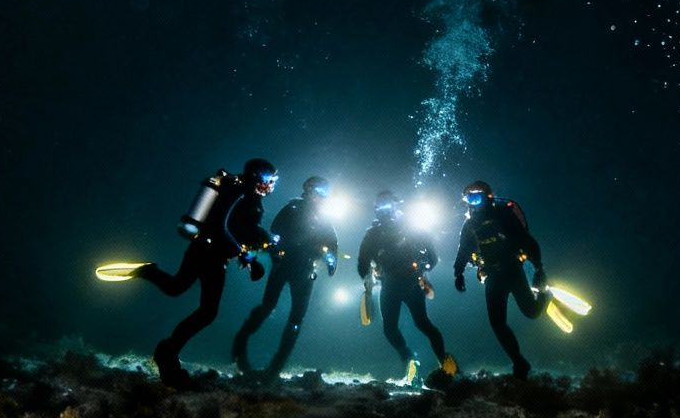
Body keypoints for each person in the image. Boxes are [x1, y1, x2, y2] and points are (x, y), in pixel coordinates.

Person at [134, 158, 277, 387]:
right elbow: (224, 226)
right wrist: (244, 255)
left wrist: (262, 243)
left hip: (209, 253)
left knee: (179, 290)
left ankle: (167, 347)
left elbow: (243, 229)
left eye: (273, 180)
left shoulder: (248, 198)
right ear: (256, 177)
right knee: (203, 309)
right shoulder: (240, 193)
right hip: (207, 252)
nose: (270, 185)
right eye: (268, 179)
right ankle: (167, 350)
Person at [230, 174, 340, 378]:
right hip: (285, 266)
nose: (323, 197)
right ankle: (240, 347)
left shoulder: (323, 218)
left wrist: (331, 260)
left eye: (326, 193)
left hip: (305, 270)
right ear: (309, 191)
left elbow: (332, 242)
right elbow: (273, 234)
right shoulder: (292, 209)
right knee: (268, 307)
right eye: (320, 192)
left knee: (296, 317)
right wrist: (274, 254)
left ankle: (275, 367)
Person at [358, 189, 457, 384]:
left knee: (415, 324)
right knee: (403, 326)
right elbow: (362, 263)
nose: (383, 211)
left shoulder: (407, 229)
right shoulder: (373, 234)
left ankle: (440, 361)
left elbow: (432, 257)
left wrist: (422, 268)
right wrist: (368, 276)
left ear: (395, 206)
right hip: (396, 284)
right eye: (379, 207)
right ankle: (414, 360)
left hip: (407, 284)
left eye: (386, 206)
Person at [452, 179, 546, 379]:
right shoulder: (469, 226)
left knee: (532, 312)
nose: (472, 203)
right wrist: (458, 273)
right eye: (469, 198)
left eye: (477, 197)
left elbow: (527, 241)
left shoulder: (504, 215)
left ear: (488, 197)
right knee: (497, 323)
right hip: (493, 276)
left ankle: (545, 294)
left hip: (513, 270)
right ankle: (519, 362)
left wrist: (538, 269)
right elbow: (463, 250)